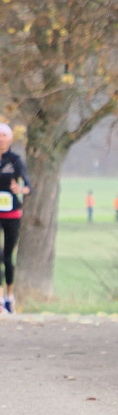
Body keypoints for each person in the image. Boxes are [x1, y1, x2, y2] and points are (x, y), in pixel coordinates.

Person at [0, 122, 26, 314]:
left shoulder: (15, 160)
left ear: (10, 139)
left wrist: (20, 189)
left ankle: (10, 296)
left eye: (4, 135)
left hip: (11, 213)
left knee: (7, 256)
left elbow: (29, 186)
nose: (1, 139)